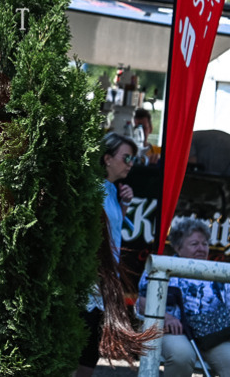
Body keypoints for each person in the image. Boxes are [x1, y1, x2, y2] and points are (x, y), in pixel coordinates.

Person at [136, 217, 230, 376]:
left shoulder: (217, 271)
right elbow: (142, 302)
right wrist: (166, 317)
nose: (201, 248)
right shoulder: (162, 267)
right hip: (172, 330)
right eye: (194, 244)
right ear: (178, 248)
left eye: (205, 244)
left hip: (210, 334)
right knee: (182, 356)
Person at [78, 132, 138, 375]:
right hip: (87, 279)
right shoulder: (92, 188)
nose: (130, 164)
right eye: (126, 158)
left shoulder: (113, 190)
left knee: (90, 353)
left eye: (133, 159)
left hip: (103, 281)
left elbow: (114, 228)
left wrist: (124, 206)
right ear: (107, 158)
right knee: (78, 348)